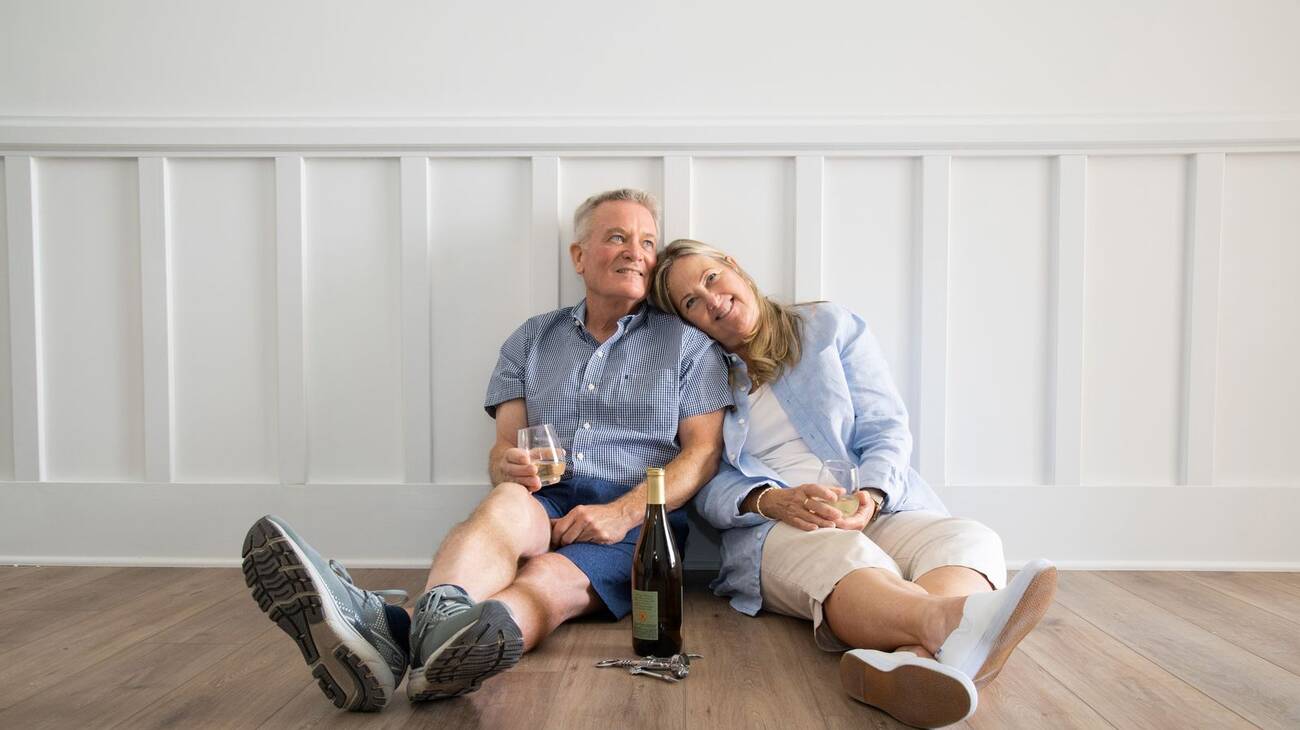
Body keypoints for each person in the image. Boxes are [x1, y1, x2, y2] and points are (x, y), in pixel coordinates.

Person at [241, 190, 731, 712]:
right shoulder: (531, 339)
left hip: (636, 521)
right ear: (579, 256)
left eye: (647, 241)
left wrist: (621, 513)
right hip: (547, 497)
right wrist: (508, 465)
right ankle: (435, 631)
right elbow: (501, 454)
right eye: (617, 237)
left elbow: (701, 455)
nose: (636, 251)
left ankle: (394, 631)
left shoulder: (688, 344)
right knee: (502, 507)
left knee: (548, 582)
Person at [648, 238, 1057, 729]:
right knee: (842, 557)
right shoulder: (697, 373)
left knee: (968, 537)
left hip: (874, 505)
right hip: (779, 529)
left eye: (711, 278)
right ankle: (950, 623)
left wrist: (874, 494)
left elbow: (886, 427)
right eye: (691, 301)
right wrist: (772, 500)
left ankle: (914, 662)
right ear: (686, 320)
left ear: (734, 267)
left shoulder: (827, 327)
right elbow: (705, 482)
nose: (711, 299)